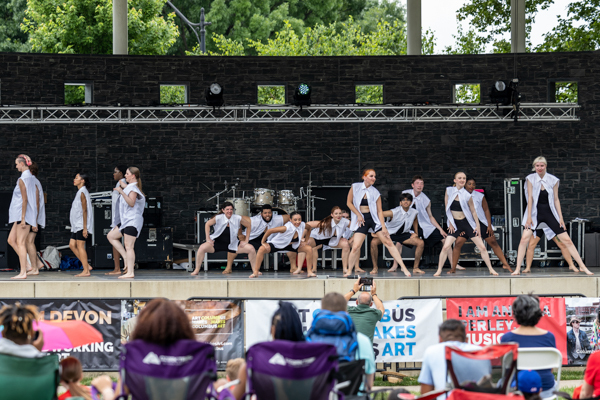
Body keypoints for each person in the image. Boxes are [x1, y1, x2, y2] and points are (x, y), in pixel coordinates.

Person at [513, 156, 592, 275]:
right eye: (537, 166)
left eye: (542, 165)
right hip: (535, 215)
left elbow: (556, 200)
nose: (539, 168)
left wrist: (560, 217)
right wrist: (528, 216)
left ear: (545, 166)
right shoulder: (530, 178)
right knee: (524, 239)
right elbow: (529, 198)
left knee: (567, 240)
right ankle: (518, 268)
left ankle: (582, 266)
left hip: (550, 214)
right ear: (534, 166)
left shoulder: (553, 179)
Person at [347, 169, 411, 277]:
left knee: (389, 243)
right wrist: (358, 214)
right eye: (371, 176)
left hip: (373, 219)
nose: (374, 178)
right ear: (364, 177)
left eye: (374, 176)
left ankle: (404, 268)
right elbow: (349, 203)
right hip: (361, 219)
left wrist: (384, 227)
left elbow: (379, 211)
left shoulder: (375, 192)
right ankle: (349, 270)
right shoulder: (355, 187)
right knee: (355, 246)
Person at [434, 172, 498, 277]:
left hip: (467, 223)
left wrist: (477, 226)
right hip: (455, 224)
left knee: (482, 247)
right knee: (445, 247)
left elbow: (473, 211)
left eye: (464, 178)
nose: (462, 180)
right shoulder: (449, 190)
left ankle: (491, 269)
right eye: (459, 178)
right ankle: (439, 270)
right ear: (455, 180)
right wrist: (450, 223)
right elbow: (447, 208)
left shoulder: (467, 195)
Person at [309, 292, 376, 391]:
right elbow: (369, 380)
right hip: (352, 396)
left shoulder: (307, 338)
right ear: (346, 310)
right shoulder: (362, 340)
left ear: (322, 309)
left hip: (318, 395)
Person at [450, 177, 513, 273]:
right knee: (458, 243)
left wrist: (489, 225)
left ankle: (505, 264)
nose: (471, 186)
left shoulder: (479, 196)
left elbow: (486, 210)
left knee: (493, 242)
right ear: (465, 184)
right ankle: (453, 267)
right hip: (466, 224)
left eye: (473, 184)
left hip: (480, 223)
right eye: (469, 184)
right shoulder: (459, 195)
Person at [500, 294, 557, 398]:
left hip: (515, 390)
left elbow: (505, 369)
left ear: (515, 313)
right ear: (538, 314)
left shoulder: (506, 338)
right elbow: (550, 369)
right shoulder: (549, 337)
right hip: (545, 390)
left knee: (500, 382)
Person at [418, 319, 491, 398]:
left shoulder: (432, 351)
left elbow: (426, 393)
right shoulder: (481, 351)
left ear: (440, 339)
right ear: (466, 339)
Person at [402, 175, 461, 272]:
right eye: (417, 183)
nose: (419, 185)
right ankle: (395, 265)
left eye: (421, 183)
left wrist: (441, 229)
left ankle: (453, 264)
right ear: (413, 185)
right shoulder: (405, 194)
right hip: (409, 225)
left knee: (445, 239)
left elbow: (430, 216)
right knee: (399, 242)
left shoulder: (426, 199)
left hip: (424, 225)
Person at [190, 201, 254, 276]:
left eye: (231, 209)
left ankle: (255, 271)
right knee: (202, 248)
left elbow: (248, 225)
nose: (229, 211)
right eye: (227, 209)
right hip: (217, 243)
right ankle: (196, 270)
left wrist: (246, 240)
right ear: (223, 210)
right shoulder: (218, 218)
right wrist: (208, 239)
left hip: (232, 244)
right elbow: (207, 224)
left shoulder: (237, 218)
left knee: (251, 249)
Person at [369, 193, 425, 275]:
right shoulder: (394, 211)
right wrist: (376, 230)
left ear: (411, 202)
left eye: (408, 200)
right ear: (400, 202)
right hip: (389, 234)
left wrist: (415, 232)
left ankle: (416, 268)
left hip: (403, 234)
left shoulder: (414, 212)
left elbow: (415, 220)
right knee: (373, 242)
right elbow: (378, 214)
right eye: (403, 200)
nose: (406, 202)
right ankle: (375, 267)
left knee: (420, 243)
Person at [107, 167, 145, 279]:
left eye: (127, 174)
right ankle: (125, 258)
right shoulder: (130, 187)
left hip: (132, 221)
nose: (125, 176)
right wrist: (124, 188)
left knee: (129, 246)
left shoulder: (133, 189)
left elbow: (131, 203)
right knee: (111, 236)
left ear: (133, 176)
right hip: (125, 221)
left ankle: (130, 272)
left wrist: (121, 192)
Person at [251, 211, 314, 278]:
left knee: (309, 248)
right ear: (290, 220)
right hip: (278, 245)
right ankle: (255, 272)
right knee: (261, 249)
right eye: (295, 220)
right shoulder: (286, 227)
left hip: (291, 245)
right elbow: (270, 231)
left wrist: (306, 241)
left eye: (299, 219)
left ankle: (309, 271)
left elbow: (309, 228)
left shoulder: (302, 225)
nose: (298, 222)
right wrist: (263, 242)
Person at [231, 204, 290, 275]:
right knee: (235, 244)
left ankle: (293, 267)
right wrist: (240, 234)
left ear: (272, 213)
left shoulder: (278, 219)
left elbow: (291, 218)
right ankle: (228, 267)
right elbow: (237, 219)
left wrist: (286, 231)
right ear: (261, 214)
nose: (267, 215)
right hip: (253, 238)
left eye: (269, 213)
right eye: (265, 213)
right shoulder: (254, 220)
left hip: (270, 239)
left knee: (291, 243)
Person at [293, 206, 351, 274]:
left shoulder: (345, 222)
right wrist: (302, 238)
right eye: (336, 213)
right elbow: (308, 224)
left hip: (331, 240)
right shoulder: (325, 223)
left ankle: (345, 268)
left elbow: (356, 228)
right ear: (332, 215)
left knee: (346, 245)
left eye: (340, 213)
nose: (338, 215)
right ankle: (299, 268)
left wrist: (351, 239)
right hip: (317, 238)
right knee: (303, 245)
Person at [7, 154, 37, 279]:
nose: (16, 166)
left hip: (22, 215)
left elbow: (25, 200)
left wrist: (24, 218)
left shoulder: (23, 179)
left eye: (17, 164)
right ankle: (27, 265)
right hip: (20, 215)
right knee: (11, 240)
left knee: (20, 243)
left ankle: (23, 272)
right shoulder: (30, 178)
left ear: (22, 164)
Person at [344, 277, 384, 344]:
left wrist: (354, 290)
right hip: (366, 352)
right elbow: (381, 308)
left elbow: (341, 302)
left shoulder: (348, 311)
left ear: (356, 302)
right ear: (371, 304)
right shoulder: (374, 314)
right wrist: (374, 294)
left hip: (350, 351)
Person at [69, 173, 94, 277]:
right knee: (71, 245)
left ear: (82, 180)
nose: (74, 179)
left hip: (81, 225)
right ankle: (87, 265)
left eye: (77, 178)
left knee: (80, 246)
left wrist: (85, 228)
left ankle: (86, 271)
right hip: (76, 225)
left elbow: (85, 210)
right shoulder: (80, 192)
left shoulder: (83, 192)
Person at [106, 165, 128, 275]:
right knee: (115, 241)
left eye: (116, 172)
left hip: (121, 219)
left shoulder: (123, 184)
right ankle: (118, 268)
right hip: (117, 219)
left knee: (121, 242)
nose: (113, 174)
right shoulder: (119, 184)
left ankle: (122, 267)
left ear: (121, 173)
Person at [26, 162, 46, 275]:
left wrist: (34, 221)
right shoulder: (35, 181)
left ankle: (35, 268)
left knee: (29, 242)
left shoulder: (32, 181)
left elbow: (36, 203)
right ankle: (37, 263)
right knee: (25, 241)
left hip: (33, 218)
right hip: (33, 217)